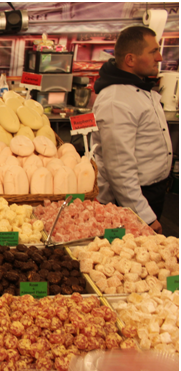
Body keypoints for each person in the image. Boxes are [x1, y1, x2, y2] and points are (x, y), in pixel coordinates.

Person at [92, 26, 172, 234]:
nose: (160, 57)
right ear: (130, 59)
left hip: (150, 191)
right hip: (131, 198)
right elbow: (119, 167)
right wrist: (144, 216)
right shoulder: (116, 101)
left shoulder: (139, 88)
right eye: (153, 51)